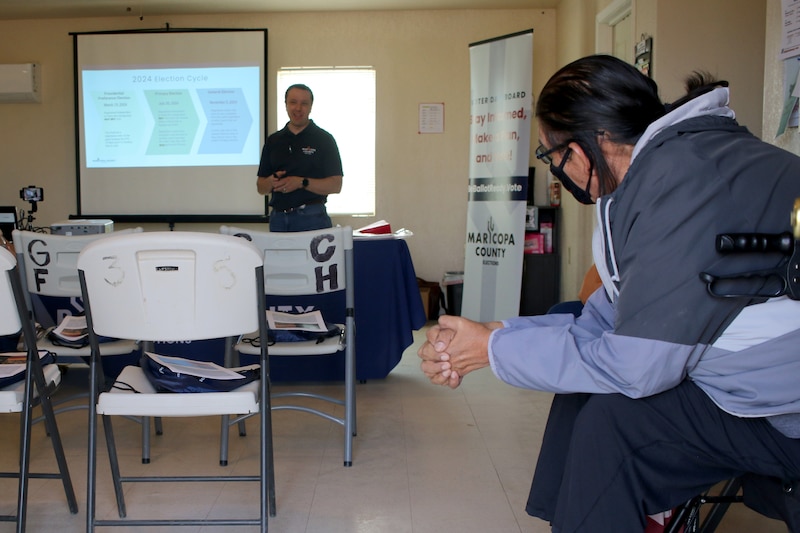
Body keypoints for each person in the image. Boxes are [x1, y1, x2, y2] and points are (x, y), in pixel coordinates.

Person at [418, 54, 800, 532]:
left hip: (781, 412)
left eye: (550, 157)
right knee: (578, 361)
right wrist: (493, 333)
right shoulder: (672, 166)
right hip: (742, 380)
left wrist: (490, 351)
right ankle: (578, 520)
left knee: (612, 426)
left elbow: (637, 366)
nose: (558, 171)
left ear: (580, 151)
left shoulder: (683, 185)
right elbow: (605, 315)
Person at [257, 83, 343, 232]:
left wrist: (302, 182)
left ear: (310, 107)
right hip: (278, 219)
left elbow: (336, 185)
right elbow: (260, 187)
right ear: (286, 105)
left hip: (312, 218)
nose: (298, 108)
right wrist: (270, 182)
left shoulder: (324, 139)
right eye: (293, 102)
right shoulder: (274, 140)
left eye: (304, 103)